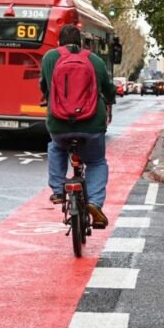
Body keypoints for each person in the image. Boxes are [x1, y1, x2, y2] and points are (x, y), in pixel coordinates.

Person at [40, 24, 115, 229]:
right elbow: (108, 89)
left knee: (56, 147)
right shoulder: (95, 60)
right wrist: (109, 102)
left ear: (59, 42)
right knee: (97, 161)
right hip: (91, 124)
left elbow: (44, 87)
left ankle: (57, 189)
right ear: (82, 42)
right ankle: (94, 202)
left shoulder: (49, 58)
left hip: (58, 123)